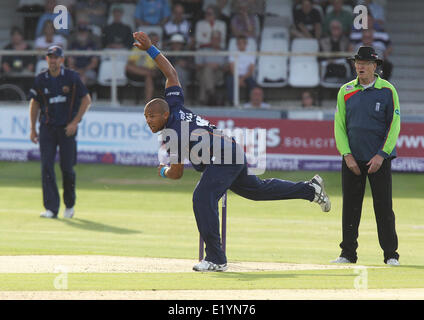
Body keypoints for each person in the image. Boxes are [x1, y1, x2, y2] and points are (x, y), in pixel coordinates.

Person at [132, 31, 331, 272]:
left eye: (151, 116)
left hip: (223, 155)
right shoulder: (174, 104)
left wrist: (162, 171)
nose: (148, 121)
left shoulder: (171, 134)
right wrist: (151, 49)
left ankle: (216, 258)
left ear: (164, 115)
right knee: (257, 190)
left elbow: (176, 173)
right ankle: (310, 190)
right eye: (145, 117)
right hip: (230, 149)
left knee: (202, 197)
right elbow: (171, 73)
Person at [333, 46, 401, 266]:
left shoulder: (387, 90)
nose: (360, 66)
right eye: (357, 62)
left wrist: (382, 155)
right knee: (350, 207)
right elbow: (339, 126)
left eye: (365, 63)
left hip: (379, 160)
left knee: (383, 207)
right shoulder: (345, 90)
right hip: (353, 159)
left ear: (374, 66)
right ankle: (347, 254)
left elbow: (394, 125)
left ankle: (391, 255)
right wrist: (347, 155)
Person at [28, 45, 92, 219]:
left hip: (67, 129)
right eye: (50, 57)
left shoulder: (71, 77)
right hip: (47, 128)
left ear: (62, 60)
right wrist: (33, 128)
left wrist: (75, 122)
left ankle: (69, 205)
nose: (53, 60)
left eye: (56, 57)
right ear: (47, 59)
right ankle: (51, 208)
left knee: (67, 169)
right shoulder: (41, 79)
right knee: (46, 167)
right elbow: (34, 104)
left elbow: (86, 100)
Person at [126, 32, 162, 103]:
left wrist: (150, 71)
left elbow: (159, 67)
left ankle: (147, 103)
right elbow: (131, 63)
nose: (154, 42)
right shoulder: (138, 48)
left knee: (149, 76)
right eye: (152, 40)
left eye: (156, 40)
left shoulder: (159, 51)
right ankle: (147, 72)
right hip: (138, 72)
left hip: (153, 73)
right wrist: (145, 70)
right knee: (128, 67)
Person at [195, 30, 228, 105]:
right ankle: (211, 93)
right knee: (207, 71)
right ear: (211, 39)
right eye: (214, 39)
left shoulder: (224, 51)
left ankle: (203, 99)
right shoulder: (203, 50)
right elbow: (197, 65)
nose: (215, 41)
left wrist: (218, 66)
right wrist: (207, 65)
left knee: (205, 77)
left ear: (220, 40)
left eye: (217, 39)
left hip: (218, 74)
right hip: (202, 72)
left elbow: (227, 68)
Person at [225, 35, 257, 105]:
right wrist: (238, 79)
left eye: (243, 43)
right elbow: (232, 68)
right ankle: (232, 103)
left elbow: (251, 70)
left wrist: (241, 79)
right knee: (229, 81)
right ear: (237, 44)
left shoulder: (251, 54)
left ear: (246, 44)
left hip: (246, 76)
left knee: (252, 83)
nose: (241, 45)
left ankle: (249, 103)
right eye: (239, 43)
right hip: (235, 75)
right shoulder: (233, 53)